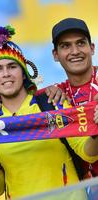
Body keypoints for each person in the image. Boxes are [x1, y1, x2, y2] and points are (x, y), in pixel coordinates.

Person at [0, 25, 98, 199]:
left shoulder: (53, 103)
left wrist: (96, 132)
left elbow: (88, 153)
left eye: (12, 66)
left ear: (24, 73)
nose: (6, 74)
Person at [45, 17, 98, 178]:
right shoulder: (54, 95)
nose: (75, 51)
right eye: (65, 46)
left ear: (92, 48)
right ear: (55, 54)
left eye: (80, 43)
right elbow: (7, 105)